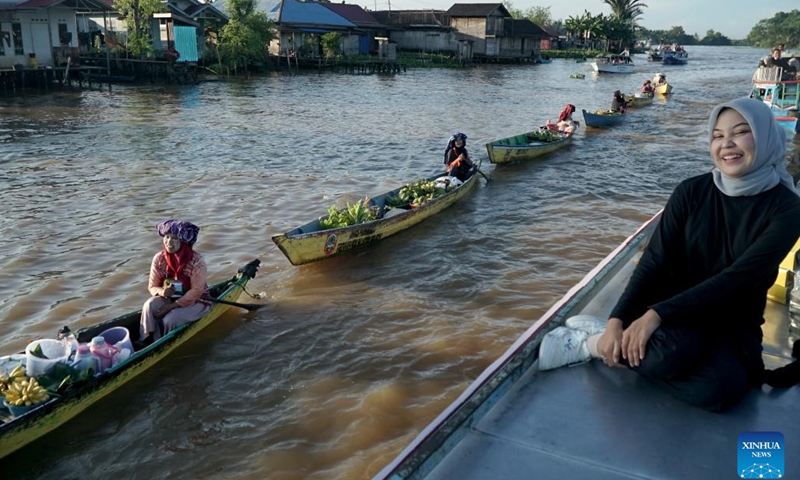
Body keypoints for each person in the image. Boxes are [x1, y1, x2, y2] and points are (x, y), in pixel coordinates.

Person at [537, 97, 800, 411]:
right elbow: (655, 261)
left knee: (717, 391)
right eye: (717, 136)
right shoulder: (691, 192)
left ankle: (614, 347)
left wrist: (655, 315)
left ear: (765, 137)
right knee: (668, 353)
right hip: (676, 320)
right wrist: (618, 318)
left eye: (741, 132)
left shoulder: (787, 209)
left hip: (731, 323)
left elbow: (738, 279)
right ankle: (589, 343)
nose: (727, 144)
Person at [139, 219, 211, 344]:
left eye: (174, 238)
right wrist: (162, 292)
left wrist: (170, 307)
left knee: (171, 319)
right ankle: (145, 340)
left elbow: (196, 291)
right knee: (149, 306)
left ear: (183, 242)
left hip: (196, 301)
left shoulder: (197, 261)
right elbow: (152, 286)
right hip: (170, 298)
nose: (169, 242)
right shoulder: (159, 259)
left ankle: (165, 344)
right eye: (166, 237)